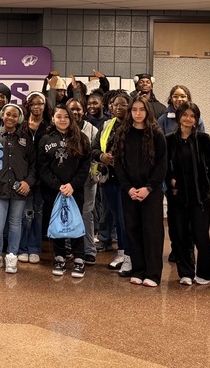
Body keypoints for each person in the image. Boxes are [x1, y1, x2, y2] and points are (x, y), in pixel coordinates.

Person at [113, 97, 167, 287]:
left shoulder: (156, 134)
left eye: (141, 110)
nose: (137, 113)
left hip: (150, 192)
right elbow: (118, 163)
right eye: (134, 109)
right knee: (133, 230)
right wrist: (128, 188)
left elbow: (162, 164)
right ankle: (138, 270)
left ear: (147, 112)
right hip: (129, 191)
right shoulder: (122, 133)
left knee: (151, 232)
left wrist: (149, 187)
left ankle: (152, 274)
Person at [166, 102, 210, 286]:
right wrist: (171, 181)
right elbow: (163, 169)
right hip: (177, 197)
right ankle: (186, 272)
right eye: (185, 115)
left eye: (193, 116)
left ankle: (205, 272)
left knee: (201, 235)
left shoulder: (204, 139)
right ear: (179, 116)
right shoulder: (169, 140)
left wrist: (207, 188)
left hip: (200, 198)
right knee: (180, 235)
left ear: (197, 119)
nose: (188, 119)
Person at [0, 101, 35, 274]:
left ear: (19, 118)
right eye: (8, 114)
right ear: (2, 115)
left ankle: (11, 256)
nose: (10, 117)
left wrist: (28, 182)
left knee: (15, 224)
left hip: (19, 190)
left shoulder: (25, 139)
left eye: (14, 115)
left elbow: (34, 166)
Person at [39, 105, 92, 278]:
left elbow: (85, 167)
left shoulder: (81, 139)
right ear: (53, 119)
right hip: (53, 190)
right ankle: (59, 257)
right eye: (58, 116)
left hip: (74, 190)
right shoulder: (45, 139)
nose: (62, 120)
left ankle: (79, 258)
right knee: (57, 224)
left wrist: (72, 185)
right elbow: (43, 167)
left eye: (66, 117)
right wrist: (57, 186)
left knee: (75, 223)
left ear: (71, 119)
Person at [65, 98, 102, 265]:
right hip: (68, 181)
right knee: (67, 212)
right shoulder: (63, 129)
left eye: (78, 109)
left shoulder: (92, 129)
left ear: (83, 110)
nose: (75, 112)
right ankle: (68, 247)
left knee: (87, 214)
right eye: (71, 109)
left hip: (87, 180)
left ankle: (88, 250)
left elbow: (96, 152)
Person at [99, 92, 132, 275]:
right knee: (117, 219)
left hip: (125, 181)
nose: (118, 108)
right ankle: (121, 253)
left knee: (124, 219)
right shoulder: (107, 125)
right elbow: (96, 147)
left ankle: (129, 255)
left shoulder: (134, 126)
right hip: (108, 179)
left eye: (122, 105)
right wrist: (101, 156)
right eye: (114, 105)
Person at [18, 91, 50, 264]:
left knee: (38, 213)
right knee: (25, 214)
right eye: (33, 104)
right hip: (24, 178)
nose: (37, 107)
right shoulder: (21, 126)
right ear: (28, 106)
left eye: (40, 103)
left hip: (42, 179)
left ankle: (34, 248)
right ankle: (22, 248)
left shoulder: (49, 126)